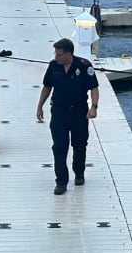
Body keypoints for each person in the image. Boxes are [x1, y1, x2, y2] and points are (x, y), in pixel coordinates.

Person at [36, 38, 99, 195]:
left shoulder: (84, 66)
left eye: (59, 54)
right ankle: (61, 182)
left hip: (79, 112)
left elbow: (94, 88)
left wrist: (94, 107)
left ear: (69, 54)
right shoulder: (53, 66)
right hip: (59, 112)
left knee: (79, 145)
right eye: (55, 54)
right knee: (59, 147)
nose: (56, 57)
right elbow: (47, 87)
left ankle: (79, 173)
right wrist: (39, 106)